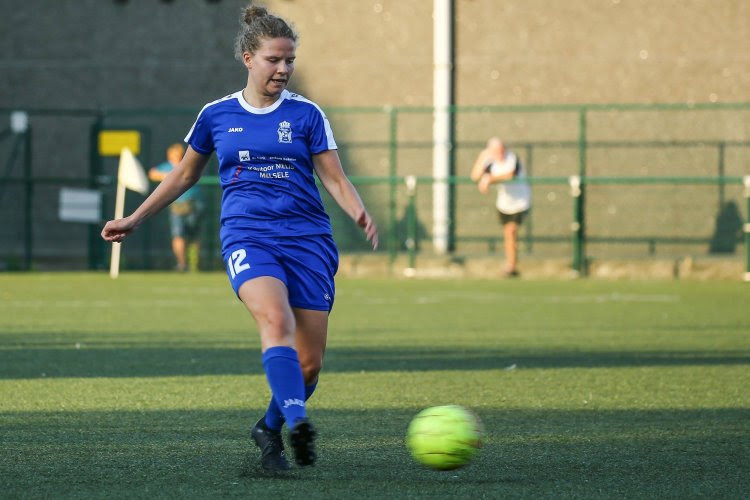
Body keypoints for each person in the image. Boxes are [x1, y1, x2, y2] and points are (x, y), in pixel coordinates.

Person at [101, 4, 378, 472]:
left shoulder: (308, 116)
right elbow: (183, 176)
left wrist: (357, 210)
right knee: (275, 321)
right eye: (274, 59)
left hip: (309, 240)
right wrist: (136, 217)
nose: (284, 69)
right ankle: (297, 421)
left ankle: (269, 427)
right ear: (248, 58)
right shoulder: (216, 115)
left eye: (290, 60)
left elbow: (333, 176)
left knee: (308, 365)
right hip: (248, 236)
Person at [470, 137, 531, 277]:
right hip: (504, 204)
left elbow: (510, 175)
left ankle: (511, 266)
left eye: (501, 150)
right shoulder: (490, 162)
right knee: (508, 234)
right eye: (495, 151)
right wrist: (482, 156)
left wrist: (489, 179)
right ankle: (512, 265)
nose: (500, 153)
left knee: (511, 231)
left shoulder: (512, 158)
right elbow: (475, 176)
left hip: (520, 201)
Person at [148, 143, 203, 272]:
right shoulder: (167, 167)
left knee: (194, 236)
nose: (176, 157)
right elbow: (152, 173)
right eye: (173, 154)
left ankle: (195, 264)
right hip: (177, 207)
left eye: (178, 154)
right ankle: (182, 264)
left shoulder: (189, 164)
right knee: (178, 235)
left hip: (194, 205)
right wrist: (166, 176)